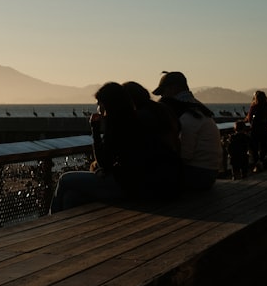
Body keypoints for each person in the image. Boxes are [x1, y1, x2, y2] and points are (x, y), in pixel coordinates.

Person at [50, 82, 179, 212]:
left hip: (130, 186)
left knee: (64, 179)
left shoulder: (119, 124)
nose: (98, 107)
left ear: (107, 104)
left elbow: (103, 162)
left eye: (99, 103)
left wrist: (95, 128)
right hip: (148, 186)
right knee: (71, 197)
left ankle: (50, 224)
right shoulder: (136, 120)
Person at [153, 71, 222, 191]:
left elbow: (185, 155)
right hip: (208, 172)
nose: (162, 97)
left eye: (163, 92)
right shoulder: (198, 109)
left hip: (198, 174)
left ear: (173, 89)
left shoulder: (189, 116)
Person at [245, 91, 267, 171]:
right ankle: (261, 161)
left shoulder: (254, 107)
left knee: (254, 148)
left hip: (255, 130)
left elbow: (250, 118)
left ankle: (257, 163)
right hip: (265, 130)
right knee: (264, 147)